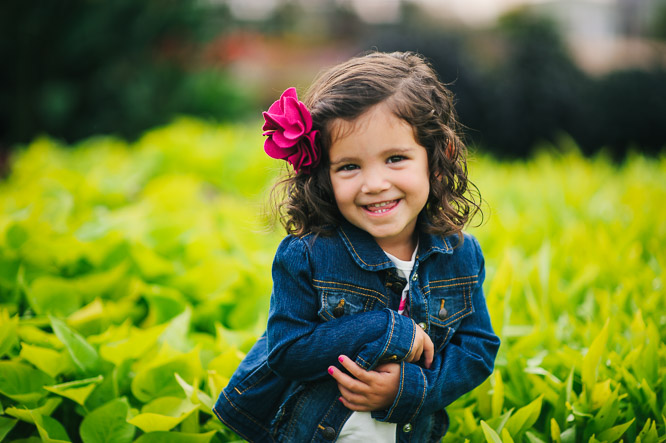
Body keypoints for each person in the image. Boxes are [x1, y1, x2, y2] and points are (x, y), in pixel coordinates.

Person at [213, 51, 500, 442]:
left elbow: (477, 349)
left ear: (436, 160)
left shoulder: (460, 255)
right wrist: (387, 328)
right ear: (323, 175)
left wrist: (407, 388)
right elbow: (287, 351)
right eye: (349, 166)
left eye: (396, 158)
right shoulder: (308, 254)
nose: (374, 183)